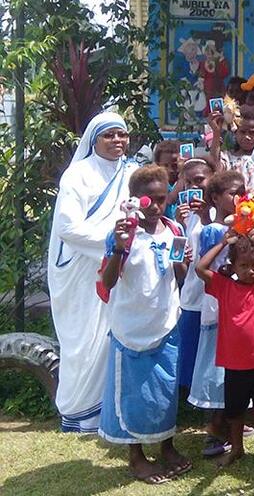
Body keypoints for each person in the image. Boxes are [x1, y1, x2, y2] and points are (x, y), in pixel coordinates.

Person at [98, 165, 191, 484]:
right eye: (150, 200)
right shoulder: (123, 234)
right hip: (131, 328)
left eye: (162, 199)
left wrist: (182, 263)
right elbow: (108, 281)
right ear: (135, 199)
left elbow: (180, 278)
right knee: (133, 394)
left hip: (166, 323)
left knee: (165, 390)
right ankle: (136, 456)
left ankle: (167, 446)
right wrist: (119, 247)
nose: (156, 207)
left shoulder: (174, 229)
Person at [47, 111, 136, 433]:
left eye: (121, 134)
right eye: (109, 135)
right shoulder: (78, 175)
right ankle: (80, 413)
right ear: (93, 140)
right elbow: (68, 228)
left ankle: (111, 409)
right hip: (83, 269)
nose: (117, 140)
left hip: (120, 265)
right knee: (86, 340)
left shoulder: (131, 172)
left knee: (115, 334)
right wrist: (113, 240)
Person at [196, 227, 254, 470]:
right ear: (233, 265)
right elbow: (200, 269)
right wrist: (222, 243)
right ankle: (237, 448)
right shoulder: (224, 286)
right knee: (235, 412)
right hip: (234, 365)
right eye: (244, 265)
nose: (251, 270)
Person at [188, 170, 244, 458]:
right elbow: (207, 267)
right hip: (218, 304)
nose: (238, 198)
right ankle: (214, 428)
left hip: (239, 306)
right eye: (232, 193)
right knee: (216, 366)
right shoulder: (212, 231)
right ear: (215, 198)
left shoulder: (245, 227)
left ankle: (233, 422)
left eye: (242, 192)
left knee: (235, 366)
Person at [172, 157, 216, 394]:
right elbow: (179, 263)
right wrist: (178, 225)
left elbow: (219, 246)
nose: (194, 187)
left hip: (213, 297)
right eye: (188, 183)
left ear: (212, 179)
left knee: (211, 354)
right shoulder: (184, 217)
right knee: (189, 352)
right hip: (190, 295)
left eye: (199, 180)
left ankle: (210, 399)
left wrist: (206, 217)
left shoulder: (219, 212)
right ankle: (189, 398)